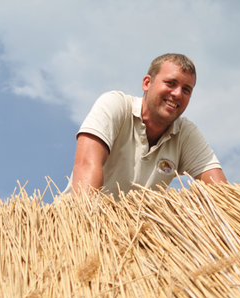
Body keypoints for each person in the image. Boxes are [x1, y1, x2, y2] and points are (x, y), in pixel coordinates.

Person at [63, 53, 227, 197]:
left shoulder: (185, 133)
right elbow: (87, 165)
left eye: (186, 90)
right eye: (170, 83)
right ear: (147, 83)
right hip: (76, 224)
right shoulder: (116, 105)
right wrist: (89, 224)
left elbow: (221, 192)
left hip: (131, 231)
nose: (177, 94)